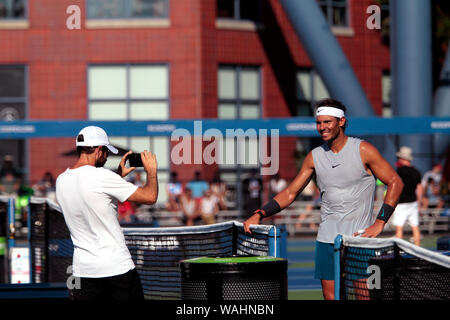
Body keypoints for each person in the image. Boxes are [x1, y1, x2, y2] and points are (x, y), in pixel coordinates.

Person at [243, 98, 404, 300]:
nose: (322, 127)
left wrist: (380, 222)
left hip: (361, 241)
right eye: (319, 123)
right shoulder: (314, 156)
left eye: (327, 122)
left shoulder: (363, 150)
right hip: (326, 242)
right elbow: (290, 193)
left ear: (341, 121)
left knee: (367, 298)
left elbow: (395, 182)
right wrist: (260, 214)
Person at [55, 126, 158, 300]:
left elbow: (92, 195)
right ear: (98, 150)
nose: (107, 156)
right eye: (106, 152)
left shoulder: (61, 180)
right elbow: (150, 196)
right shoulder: (102, 177)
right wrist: (152, 171)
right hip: (116, 269)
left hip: (83, 272)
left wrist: (118, 177)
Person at [391, 146, 423, 246]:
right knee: (415, 227)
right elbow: (420, 188)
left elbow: (395, 186)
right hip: (413, 202)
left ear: (402, 158)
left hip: (401, 203)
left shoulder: (399, 171)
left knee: (399, 228)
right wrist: (419, 203)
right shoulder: (416, 172)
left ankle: (398, 250)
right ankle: (418, 250)